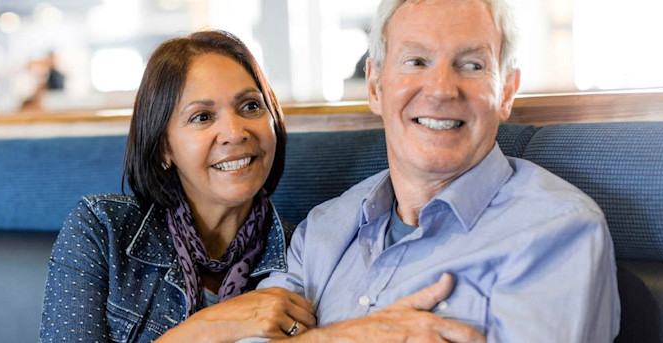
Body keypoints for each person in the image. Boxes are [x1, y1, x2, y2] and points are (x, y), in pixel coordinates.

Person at [254, 0, 620, 342]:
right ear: (375, 86)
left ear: (506, 91)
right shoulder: (320, 231)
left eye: (472, 65)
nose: (442, 89)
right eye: (416, 61)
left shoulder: (556, 230)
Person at [40, 30, 317, 342]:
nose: (235, 132)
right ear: (164, 147)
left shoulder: (307, 253)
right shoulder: (103, 228)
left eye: (250, 106)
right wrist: (209, 327)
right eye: (202, 117)